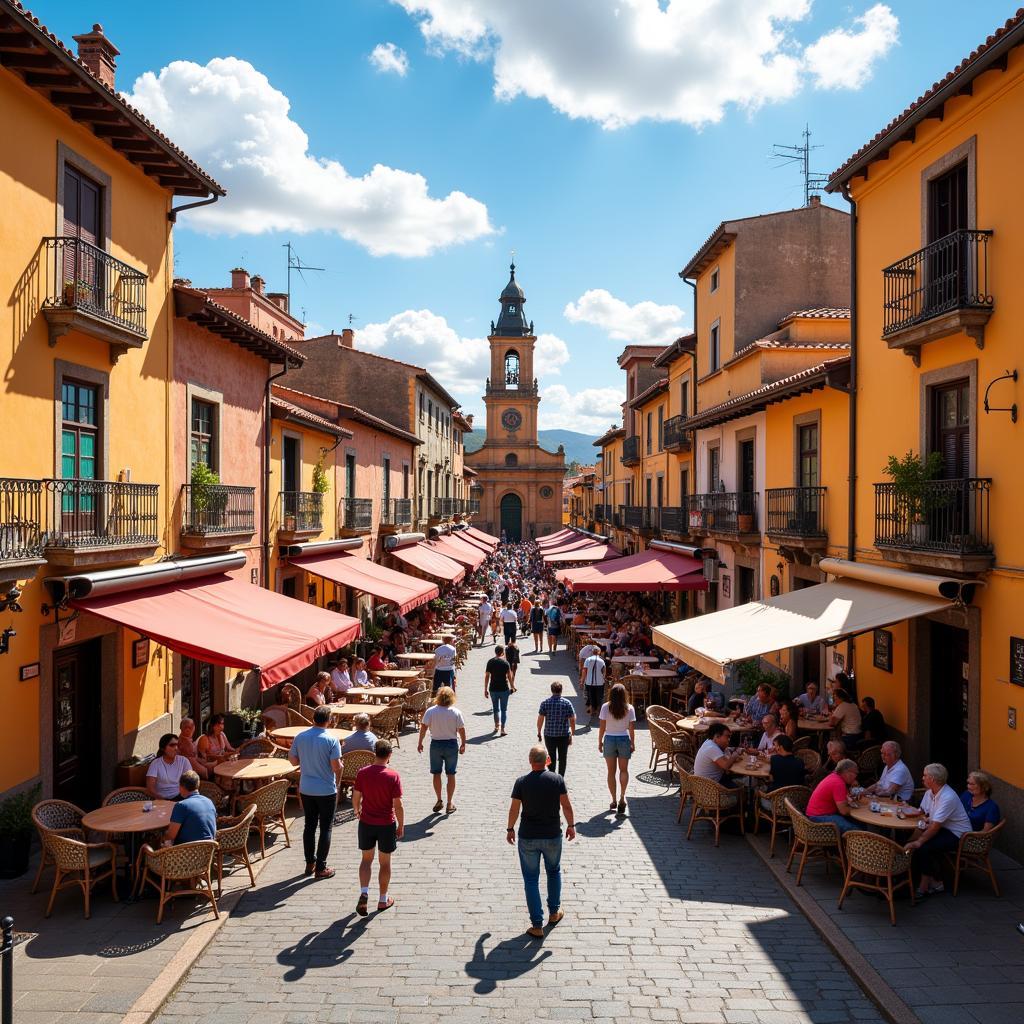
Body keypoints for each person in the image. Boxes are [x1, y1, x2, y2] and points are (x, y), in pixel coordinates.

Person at [507, 745, 576, 939]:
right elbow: (566, 805)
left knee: (531, 879)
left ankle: (537, 925)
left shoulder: (521, 782)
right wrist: (571, 825)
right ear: (548, 760)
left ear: (530, 761)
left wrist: (510, 828)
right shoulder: (557, 780)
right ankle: (554, 912)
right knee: (553, 871)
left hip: (528, 836)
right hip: (552, 834)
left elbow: (514, 810)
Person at [286, 705, 343, 878]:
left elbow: (293, 761)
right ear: (329, 720)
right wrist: (340, 770)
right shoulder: (332, 740)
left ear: (313, 719)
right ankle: (321, 867)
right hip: (326, 790)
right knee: (326, 828)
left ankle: (309, 862)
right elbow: (335, 767)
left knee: (309, 826)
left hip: (307, 788)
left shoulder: (300, 737)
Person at [903, 763, 973, 896]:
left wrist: (919, 841)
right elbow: (922, 812)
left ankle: (925, 886)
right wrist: (906, 811)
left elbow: (935, 827)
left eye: (925, 775)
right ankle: (931, 880)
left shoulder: (948, 797)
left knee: (923, 847)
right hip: (944, 828)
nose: (922, 778)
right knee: (915, 842)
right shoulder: (930, 792)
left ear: (932, 779)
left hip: (959, 835)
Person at [352, 739, 404, 915]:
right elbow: (398, 805)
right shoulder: (393, 775)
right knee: (385, 863)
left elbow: (356, 796)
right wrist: (401, 826)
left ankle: (364, 892)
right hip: (386, 824)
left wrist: (356, 810)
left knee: (366, 860)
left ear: (375, 753)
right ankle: (383, 899)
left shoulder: (362, 773)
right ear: (389, 755)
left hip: (366, 822)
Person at [418, 686, 467, 815]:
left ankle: (439, 799)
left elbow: (423, 728)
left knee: (436, 773)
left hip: (436, 744)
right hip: (451, 744)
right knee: (451, 774)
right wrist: (463, 744)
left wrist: (420, 742)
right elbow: (461, 729)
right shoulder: (456, 712)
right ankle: (450, 803)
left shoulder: (431, 711)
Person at [598, 683, 636, 815]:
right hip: (624, 739)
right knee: (624, 770)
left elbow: (602, 727)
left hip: (609, 739)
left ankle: (613, 799)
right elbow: (631, 728)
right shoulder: (629, 708)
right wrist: (633, 743)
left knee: (611, 772)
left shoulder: (605, 707)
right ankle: (622, 796)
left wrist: (599, 742)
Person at [805, 758, 860, 834]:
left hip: (816, 814)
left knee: (859, 823)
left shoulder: (834, 776)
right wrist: (859, 810)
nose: (856, 777)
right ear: (847, 772)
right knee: (856, 831)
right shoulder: (838, 783)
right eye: (856, 773)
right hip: (817, 818)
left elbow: (844, 801)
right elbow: (843, 811)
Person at [162, 770, 217, 845]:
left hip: (187, 853)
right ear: (198, 785)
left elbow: (171, 835)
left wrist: (161, 836)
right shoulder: (209, 802)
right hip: (208, 851)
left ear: (182, 787)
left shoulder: (181, 806)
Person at [537, 682, 576, 778]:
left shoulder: (545, 703)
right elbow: (572, 719)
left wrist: (539, 731)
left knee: (550, 756)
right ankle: (560, 777)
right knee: (563, 757)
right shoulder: (567, 703)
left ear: (551, 690)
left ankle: (551, 775)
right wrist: (572, 732)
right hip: (563, 735)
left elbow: (540, 719)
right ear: (561, 690)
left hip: (549, 735)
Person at [693, 721, 742, 786]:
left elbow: (723, 753)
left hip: (704, 781)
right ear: (717, 736)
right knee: (741, 785)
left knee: (737, 776)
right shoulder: (712, 748)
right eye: (727, 736)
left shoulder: (709, 742)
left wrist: (732, 749)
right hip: (709, 786)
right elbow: (725, 766)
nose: (729, 739)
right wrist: (734, 755)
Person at [146, 734, 191, 800]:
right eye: (172, 745)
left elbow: (191, 781)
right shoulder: (155, 764)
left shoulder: (183, 761)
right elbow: (150, 788)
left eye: (177, 745)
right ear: (163, 748)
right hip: (161, 799)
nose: (176, 748)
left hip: (181, 797)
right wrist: (162, 800)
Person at [485, 645, 515, 735]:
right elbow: (509, 676)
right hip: (504, 689)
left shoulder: (490, 662)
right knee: (503, 710)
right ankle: (502, 729)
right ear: (502, 652)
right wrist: (513, 686)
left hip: (493, 688)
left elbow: (487, 676)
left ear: (495, 652)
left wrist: (485, 689)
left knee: (495, 709)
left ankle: (496, 726)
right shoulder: (505, 663)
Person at [581, 648, 607, 722]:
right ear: (599, 652)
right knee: (599, 697)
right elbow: (604, 671)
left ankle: (592, 710)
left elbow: (584, 670)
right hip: (599, 682)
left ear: (592, 652)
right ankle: (598, 711)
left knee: (591, 696)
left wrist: (582, 681)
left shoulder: (588, 660)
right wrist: (603, 678)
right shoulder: (602, 661)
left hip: (589, 682)